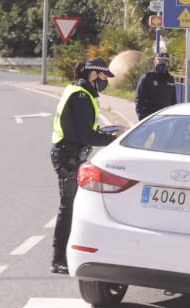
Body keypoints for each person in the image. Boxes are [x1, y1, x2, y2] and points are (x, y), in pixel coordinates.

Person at [50, 57, 121, 274]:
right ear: (93, 74)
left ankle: (69, 255)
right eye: (103, 76)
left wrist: (105, 133)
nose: (104, 81)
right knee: (68, 207)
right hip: (67, 156)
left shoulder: (82, 92)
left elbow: (87, 130)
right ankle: (59, 259)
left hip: (71, 154)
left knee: (76, 205)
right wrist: (114, 139)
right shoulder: (81, 96)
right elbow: (86, 134)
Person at [135, 53, 178, 120]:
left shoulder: (170, 79)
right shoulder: (146, 78)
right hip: (149, 117)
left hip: (166, 117)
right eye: (160, 61)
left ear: (168, 63)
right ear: (155, 62)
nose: (162, 63)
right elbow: (139, 99)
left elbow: (173, 100)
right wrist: (141, 117)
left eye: (165, 61)